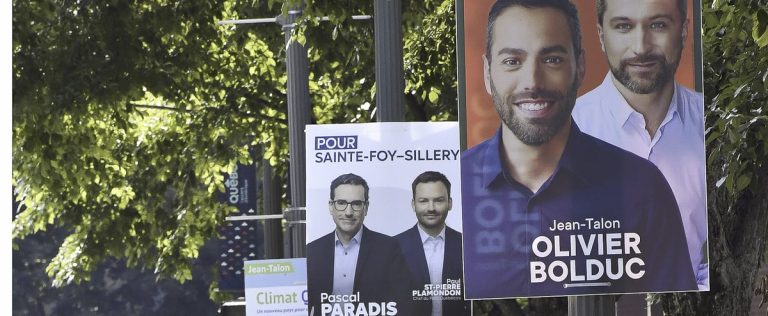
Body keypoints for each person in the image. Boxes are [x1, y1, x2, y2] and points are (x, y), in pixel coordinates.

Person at [461, 0, 696, 299]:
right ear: (487, 72)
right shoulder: (453, 188)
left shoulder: (641, 186)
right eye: (512, 61)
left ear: (580, 67)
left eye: (552, 59)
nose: (533, 81)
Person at [572, 0, 708, 290]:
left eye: (657, 25)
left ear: (684, 31)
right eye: (623, 26)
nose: (641, 47)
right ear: (600, 35)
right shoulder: (564, 131)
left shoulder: (716, 127)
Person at [307, 173, 411, 315]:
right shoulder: (312, 252)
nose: (348, 212)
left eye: (356, 204)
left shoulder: (388, 249)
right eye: (341, 203)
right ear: (331, 206)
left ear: (366, 207)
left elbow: (402, 302)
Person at [395, 171, 470, 316]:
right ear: (413, 204)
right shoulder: (392, 247)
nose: (431, 208)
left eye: (438, 200)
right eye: (423, 201)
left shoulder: (467, 245)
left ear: (450, 203)